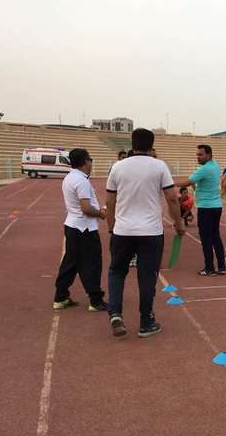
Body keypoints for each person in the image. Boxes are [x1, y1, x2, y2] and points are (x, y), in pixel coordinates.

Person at [106, 128, 184, 338]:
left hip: (122, 231)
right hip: (150, 231)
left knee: (116, 271)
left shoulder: (118, 167)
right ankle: (146, 322)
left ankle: (115, 314)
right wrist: (178, 223)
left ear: (132, 144)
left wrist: (111, 228)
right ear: (151, 146)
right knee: (147, 276)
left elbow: (110, 200)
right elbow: (171, 198)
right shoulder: (159, 166)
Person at [53, 148, 109, 312]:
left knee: (71, 263)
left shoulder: (70, 178)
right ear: (86, 161)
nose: (91, 163)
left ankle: (60, 296)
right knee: (92, 264)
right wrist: (101, 213)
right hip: (84, 228)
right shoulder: (81, 181)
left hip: (72, 225)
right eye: (90, 160)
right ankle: (95, 300)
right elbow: (86, 208)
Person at [175, 145, 226, 276]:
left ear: (209, 155)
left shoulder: (205, 169)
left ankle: (209, 268)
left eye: (200, 155)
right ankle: (221, 266)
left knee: (206, 238)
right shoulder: (215, 165)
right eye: (197, 154)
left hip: (206, 208)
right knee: (215, 236)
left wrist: (170, 183)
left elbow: (186, 182)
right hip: (216, 206)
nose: (197, 157)